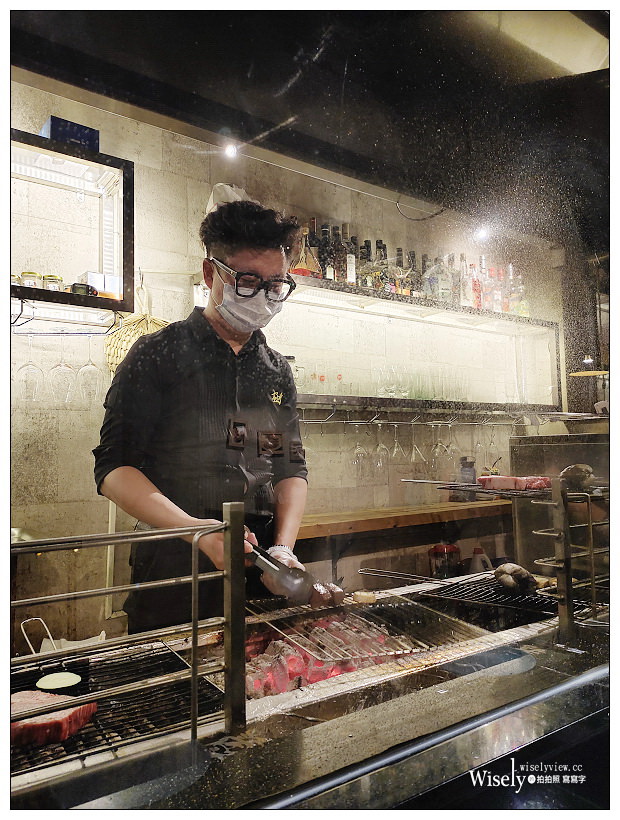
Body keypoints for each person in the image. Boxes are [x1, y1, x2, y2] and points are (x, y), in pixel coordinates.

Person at [93, 199, 308, 633]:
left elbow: (289, 466)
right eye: (248, 280)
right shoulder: (157, 354)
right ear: (212, 274)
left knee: (259, 688)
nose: (263, 297)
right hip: (173, 567)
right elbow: (114, 469)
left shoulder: (276, 371)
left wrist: (283, 548)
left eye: (275, 285)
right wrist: (196, 529)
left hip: (258, 569)